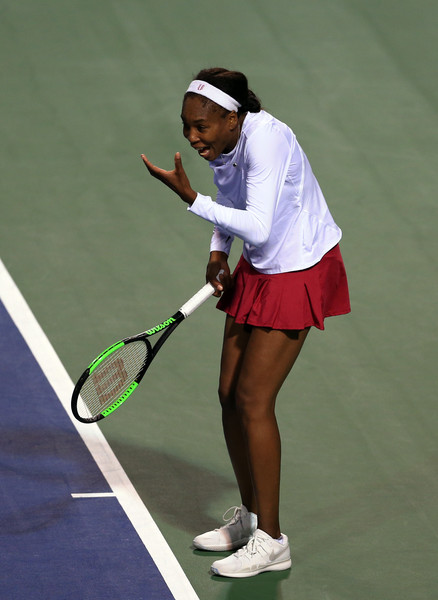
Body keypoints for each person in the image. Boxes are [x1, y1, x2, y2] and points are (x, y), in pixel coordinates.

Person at [141, 67, 350, 578]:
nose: (192, 137)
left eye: (201, 127)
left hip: (297, 267)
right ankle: (251, 519)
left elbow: (255, 221)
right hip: (260, 265)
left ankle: (272, 541)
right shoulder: (227, 145)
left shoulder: (269, 143)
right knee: (228, 392)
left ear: (233, 118)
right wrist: (217, 252)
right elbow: (234, 208)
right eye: (186, 125)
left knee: (255, 399)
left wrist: (191, 200)